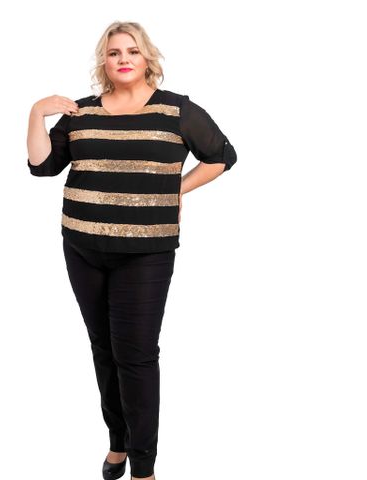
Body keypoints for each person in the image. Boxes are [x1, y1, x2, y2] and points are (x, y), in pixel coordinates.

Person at [26, 21, 237, 480]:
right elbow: (42, 166)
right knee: (103, 348)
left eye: (132, 51)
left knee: (136, 356)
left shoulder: (176, 110)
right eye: (114, 52)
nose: (123, 59)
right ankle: (117, 441)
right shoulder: (80, 112)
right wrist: (36, 113)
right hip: (81, 245)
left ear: (146, 58)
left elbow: (222, 156)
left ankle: (143, 465)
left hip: (145, 253)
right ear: (104, 62)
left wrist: (175, 190)